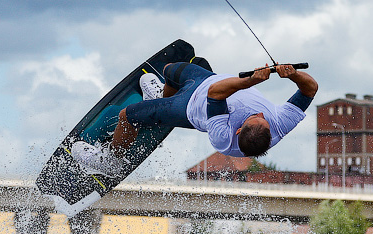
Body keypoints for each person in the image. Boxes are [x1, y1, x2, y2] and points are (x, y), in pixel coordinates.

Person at [71, 60, 318, 176]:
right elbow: (310, 90)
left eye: (254, 118)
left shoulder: (224, 140)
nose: (262, 113)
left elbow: (216, 93)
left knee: (127, 115)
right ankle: (157, 97)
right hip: (205, 80)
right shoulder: (280, 125)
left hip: (187, 106)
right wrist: (293, 75)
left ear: (238, 131)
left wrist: (250, 80)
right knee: (169, 69)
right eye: (261, 117)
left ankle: (112, 160)